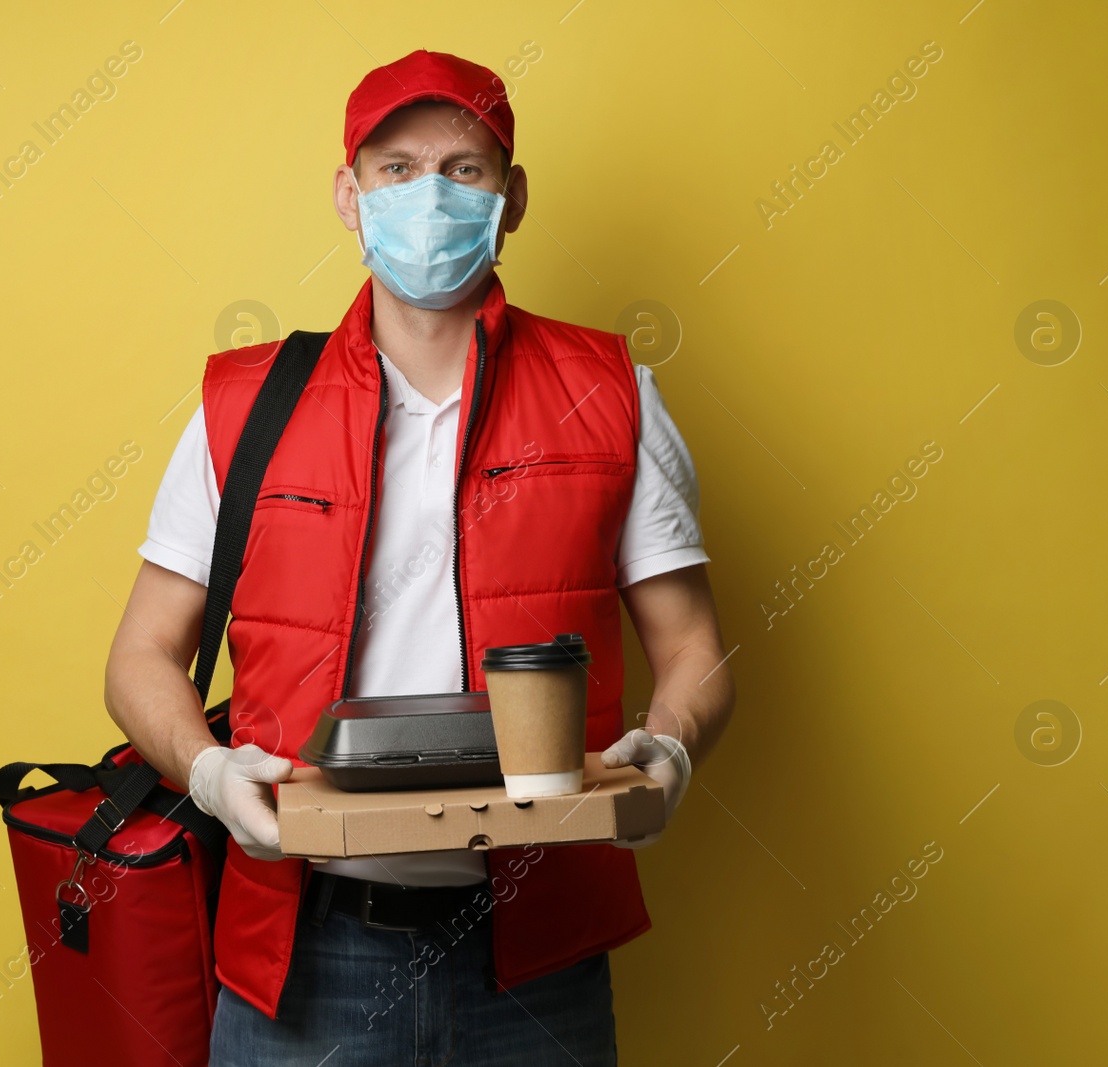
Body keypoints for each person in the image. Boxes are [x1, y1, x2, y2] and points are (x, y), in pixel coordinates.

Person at [104, 48, 735, 1066]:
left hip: (539, 953)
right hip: (303, 950)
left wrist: (669, 750)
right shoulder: (246, 405)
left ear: (512, 197)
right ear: (349, 197)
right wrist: (211, 772)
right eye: (396, 169)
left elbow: (694, 646)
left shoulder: (611, 390)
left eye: (464, 167)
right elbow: (138, 659)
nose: (429, 194)